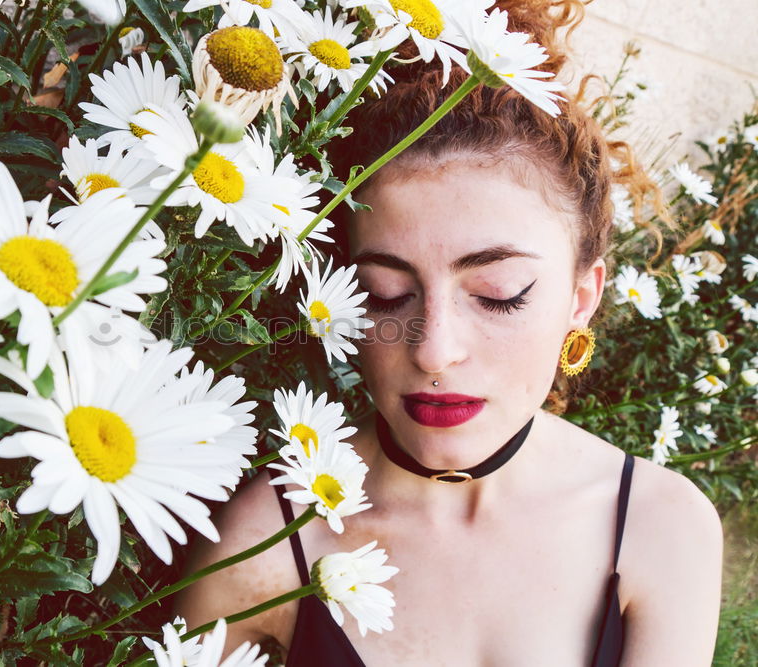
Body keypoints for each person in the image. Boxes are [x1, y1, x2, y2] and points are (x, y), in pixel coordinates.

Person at [174, 1, 724, 664]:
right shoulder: (266, 539)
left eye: (498, 296)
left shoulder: (659, 529)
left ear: (582, 296)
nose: (433, 349)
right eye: (387, 294)